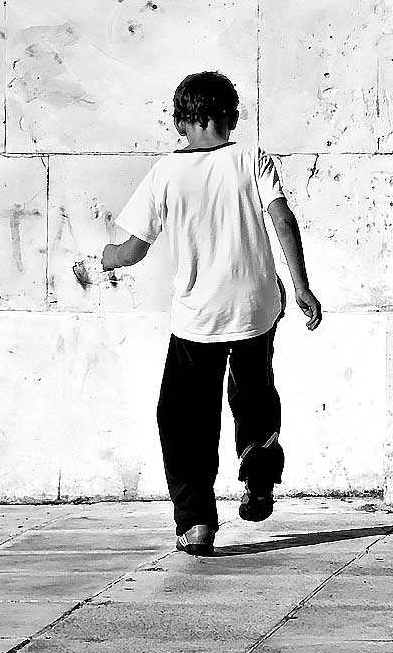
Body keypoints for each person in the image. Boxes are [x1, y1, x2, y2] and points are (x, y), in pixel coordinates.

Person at [89, 71, 322, 556]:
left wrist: (105, 258)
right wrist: (301, 286)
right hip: (257, 306)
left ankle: (196, 523)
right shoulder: (251, 157)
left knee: (184, 417)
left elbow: (133, 249)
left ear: (180, 122)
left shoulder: (165, 173)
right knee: (254, 392)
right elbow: (282, 218)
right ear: (231, 117)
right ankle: (260, 473)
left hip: (198, 317)